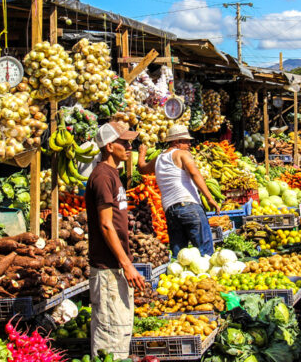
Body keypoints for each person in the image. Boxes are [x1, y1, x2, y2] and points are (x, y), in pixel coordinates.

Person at [85, 121, 146, 359]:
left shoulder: (113, 174)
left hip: (116, 267)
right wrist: (126, 264)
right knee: (110, 336)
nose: (129, 146)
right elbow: (105, 224)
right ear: (109, 146)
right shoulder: (102, 177)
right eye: (124, 142)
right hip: (108, 268)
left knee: (119, 332)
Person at [137, 125, 219, 257]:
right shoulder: (182, 154)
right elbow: (194, 173)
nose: (189, 144)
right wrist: (209, 198)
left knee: (180, 256)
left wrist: (142, 153)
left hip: (171, 211)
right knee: (205, 253)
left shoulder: (158, 159)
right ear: (176, 142)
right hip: (189, 206)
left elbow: (142, 168)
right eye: (186, 141)